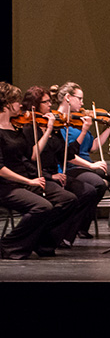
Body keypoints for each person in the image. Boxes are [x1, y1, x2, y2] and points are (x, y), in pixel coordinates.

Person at [0, 82, 80, 260]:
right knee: (42, 206)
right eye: (16, 101)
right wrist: (29, 181)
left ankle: (42, 242)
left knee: (69, 200)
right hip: (8, 185)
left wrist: (49, 129)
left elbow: (33, 155)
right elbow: (0, 169)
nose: (20, 105)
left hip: (26, 179)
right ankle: (8, 244)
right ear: (6, 104)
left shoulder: (16, 126)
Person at [53, 82, 110, 242]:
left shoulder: (79, 119)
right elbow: (68, 154)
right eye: (80, 99)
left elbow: (93, 146)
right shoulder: (58, 123)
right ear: (68, 98)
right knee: (98, 184)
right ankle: (80, 225)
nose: (83, 104)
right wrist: (91, 165)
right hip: (71, 167)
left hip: (87, 165)